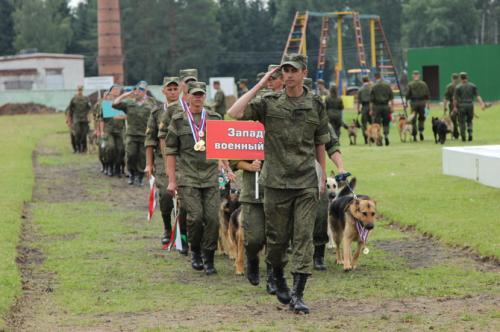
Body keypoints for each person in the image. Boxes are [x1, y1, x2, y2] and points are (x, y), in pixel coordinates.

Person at [227, 54, 330, 314]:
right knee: (277, 239)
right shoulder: (269, 103)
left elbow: (320, 141)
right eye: (285, 70)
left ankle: (298, 294)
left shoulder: (316, 103)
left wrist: (322, 175)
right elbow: (234, 112)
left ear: (304, 72)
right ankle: (277, 275)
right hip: (275, 182)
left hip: (305, 180)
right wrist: (261, 84)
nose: (289, 75)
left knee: (304, 236)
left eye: (294, 70)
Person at [165, 81, 223, 275]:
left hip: (211, 176)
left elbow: (222, 146)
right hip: (188, 176)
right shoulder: (178, 119)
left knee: (213, 218)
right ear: (187, 95)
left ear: (204, 96)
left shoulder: (214, 117)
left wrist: (225, 167)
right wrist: (172, 180)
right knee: (195, 217)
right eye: (194, 94)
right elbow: (171, 151)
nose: (198, 97)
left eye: (201, 94)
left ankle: (209, 256)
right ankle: (196, 251)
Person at [145, 77, 180, 245]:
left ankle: (183, 232)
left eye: (175, 89)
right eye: (169, 89)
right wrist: (149, 164)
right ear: (163, 91)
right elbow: (150, 140)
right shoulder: (157, 112)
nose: (173, 92)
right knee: (166, 194)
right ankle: (167, 227)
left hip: (184, 158)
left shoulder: (187, 109)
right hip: (162, 159)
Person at [113, 81, 156, 186]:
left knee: (142, 157)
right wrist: (125, 95)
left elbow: (156, 117)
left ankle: (140, 177)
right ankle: (132, 173)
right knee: (131, 155)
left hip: (145, 135)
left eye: (141, 90)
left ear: (145, 91)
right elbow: (114, 104)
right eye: (136, 89)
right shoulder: (129, 103)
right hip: (131, 134)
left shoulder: (151, 103)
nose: (137, 92)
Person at [94, 85, 126, 177]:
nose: (116, 92)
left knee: (121, 149)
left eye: (118, 90)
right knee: (110, 147)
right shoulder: (106, 104)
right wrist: (101, 131)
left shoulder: (122, 104)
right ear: (110, 92)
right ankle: (109, 166)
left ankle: (117, 168)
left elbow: (127, 115)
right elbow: (101, 119)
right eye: (114, 90)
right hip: (108, 130)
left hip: (120, 130)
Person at [453, 72, 486, 142]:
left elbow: (455, 99)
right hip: (470, 105)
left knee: (461, 122)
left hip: (461, 105)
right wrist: (482, 104)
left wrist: (455, 107)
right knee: (469, 120)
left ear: (460, 78)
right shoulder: (472, 86)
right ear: (467, 77)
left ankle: (463, 137)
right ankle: (470, 132)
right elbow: (477, 96)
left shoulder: (458, 87)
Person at [370, 72, 394, 146]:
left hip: (377, 107)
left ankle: (378, 138)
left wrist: (371, 110)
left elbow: (371, 100)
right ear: (381, 77)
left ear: (375, 77)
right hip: (386, 106)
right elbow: (391, 98)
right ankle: (386, 135)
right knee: (386, 122)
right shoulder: (387, 85)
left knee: (377, 124)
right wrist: (392, 107)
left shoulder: (373, 86)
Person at [66, 85, 92, 153]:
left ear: (82, 90)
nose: (80, 91)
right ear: (77, 90)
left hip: (84, 119)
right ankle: (78, 148)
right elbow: (69, 110)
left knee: (84, 134)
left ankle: (84, 148)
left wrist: (89, 117)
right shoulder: (74, 99)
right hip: (76, 118)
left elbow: (89, 109)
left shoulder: (86, 98)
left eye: (81, 90)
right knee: (77, 133)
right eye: (78, 90)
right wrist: (69, 120)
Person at [406, 70, 430, 141]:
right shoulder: (424, 84)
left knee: (413, 119)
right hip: (422, 103)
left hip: (414, 103)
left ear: (413, 76)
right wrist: (428, 105)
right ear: (419, 76)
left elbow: (408, 95)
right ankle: (421, 131)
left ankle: (414, 136)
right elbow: (427, 95)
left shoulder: (410, 84)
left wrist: (406, 103)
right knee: (421, 118)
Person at [443, 73, 460, 139]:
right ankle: (462, 132)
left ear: (452, 78)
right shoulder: (460, 86)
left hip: (452, 106)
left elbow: (446, 98)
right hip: (461, 105)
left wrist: (444, 107)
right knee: (461, 120)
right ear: (458, 79)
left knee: (453, 120)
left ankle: (456, 135)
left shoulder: (449, 87)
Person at [357, 76, 372, 144]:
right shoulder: (371, 88)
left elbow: (358, 101)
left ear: (362, 81)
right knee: (372, 123)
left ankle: (366, 139)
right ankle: (372, 137)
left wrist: (358, 109)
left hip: (364, 107)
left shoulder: (360, 89)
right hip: (371, 107)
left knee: (364, 124)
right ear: (368, 80)